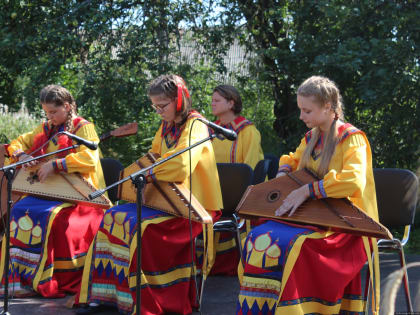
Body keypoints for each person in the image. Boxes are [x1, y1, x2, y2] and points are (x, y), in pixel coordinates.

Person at [75, 74, 223, 315]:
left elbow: (181, 165)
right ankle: (107, 294)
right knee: (113, 216)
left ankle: (144, 299)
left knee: (139, 227)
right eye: (154, 106)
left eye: (162, 106)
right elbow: (154, 155)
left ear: (178, 100)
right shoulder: (165, 126)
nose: (158, 111)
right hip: (166, 200)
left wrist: (148, 175)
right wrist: (140, 177)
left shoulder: (196, 125)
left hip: (194, 207)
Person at [236, 76, 380, 314]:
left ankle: (299, 309)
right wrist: (284, 173)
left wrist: (309, 190)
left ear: (328, 108)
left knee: (294, 244)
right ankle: (264, 308)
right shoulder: (312, 137)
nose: (302, 116)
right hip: (315, 215)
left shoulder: (352, 138)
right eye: (300, 109)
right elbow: (293, 159)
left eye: (307, 110)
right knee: (258, 235)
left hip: (347, 225)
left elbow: (353, 181)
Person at [0, 85, 106, 298]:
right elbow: (17, 143)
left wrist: (56, 164)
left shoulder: (83, 128)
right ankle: (17, 278)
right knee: (19, 209)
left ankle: (46, 279)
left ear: (67, 106)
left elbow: (90, 159)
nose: (49, 116)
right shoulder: (46, 128)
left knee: (49, 217)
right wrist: (20, 155)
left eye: (53, 112)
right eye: (46, 112)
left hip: (81, 197)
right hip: (50, 193)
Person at [207, 84, 264, 276]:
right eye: (212, 100)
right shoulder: (210, 131)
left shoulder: (248, 131)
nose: (212, 104)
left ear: (231, 103)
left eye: (217, 100)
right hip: (211, 193)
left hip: (238, 198)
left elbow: (250, 169)